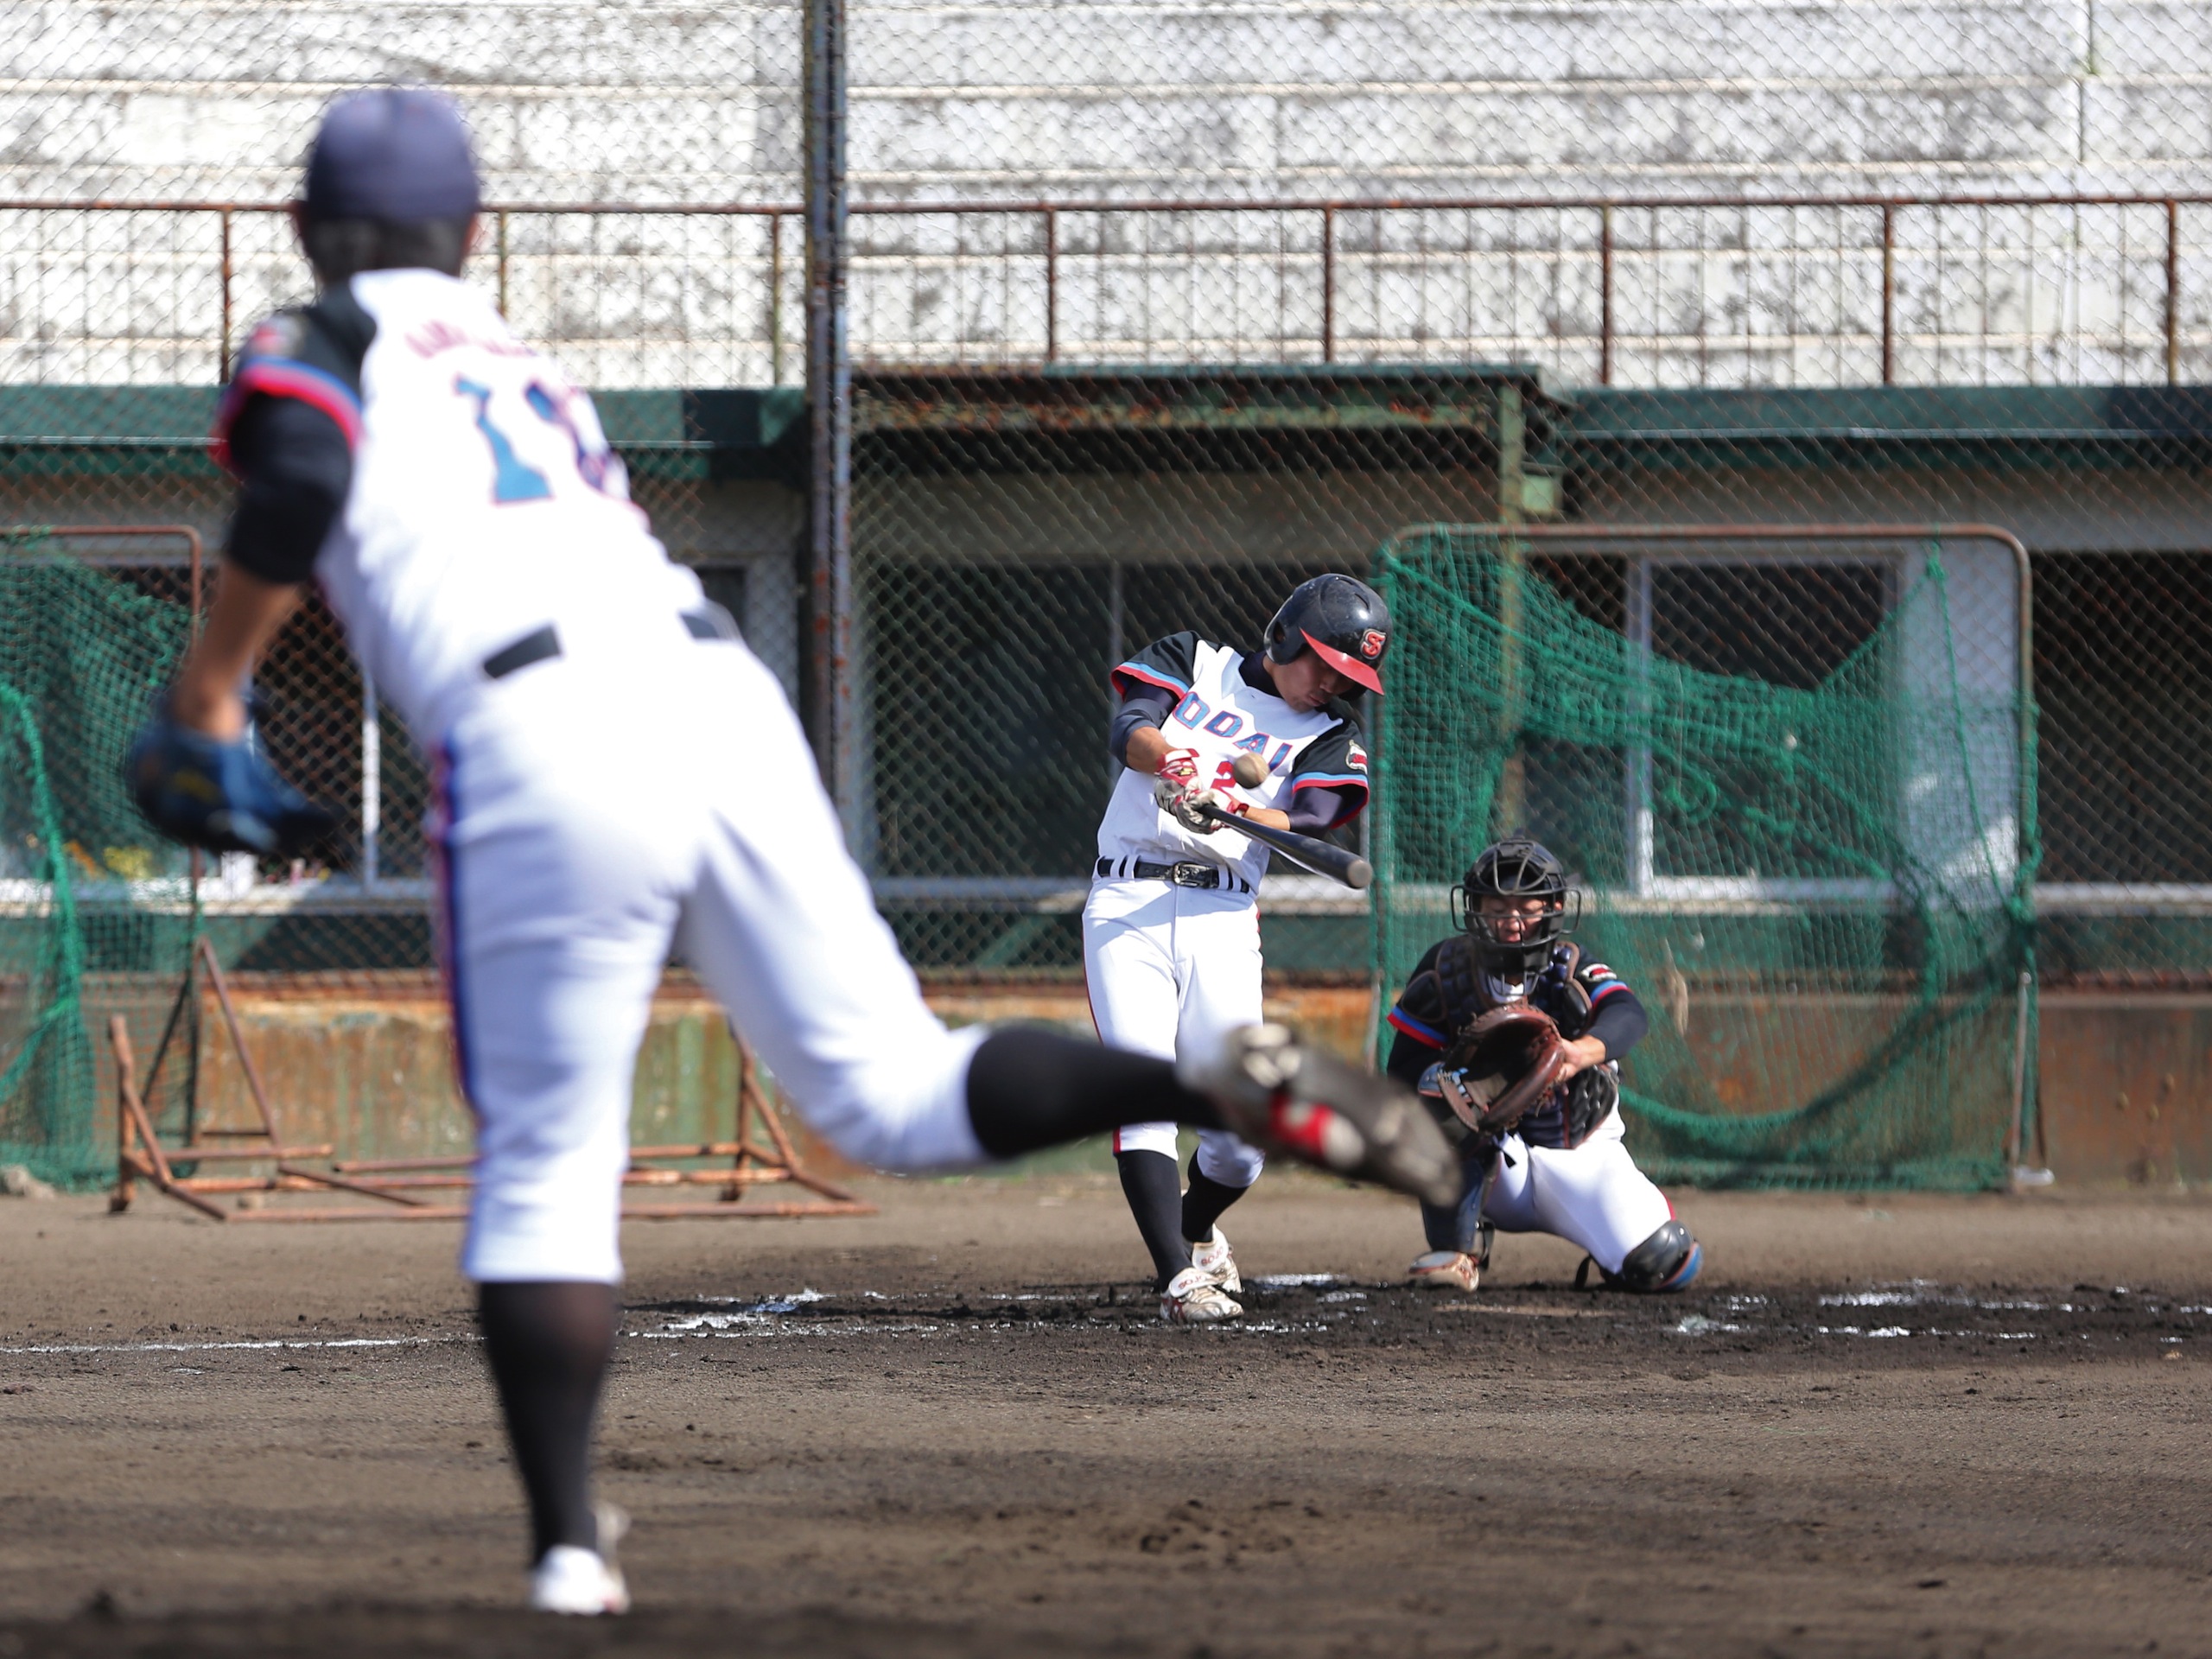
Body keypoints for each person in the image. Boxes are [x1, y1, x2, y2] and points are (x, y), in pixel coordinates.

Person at [124, 90, 1453, 1617]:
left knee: (551, 1168)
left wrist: (214, 686)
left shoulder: (321, 331)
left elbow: (293, 481)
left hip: (535, 729)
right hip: (716, 690)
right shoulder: (523, 365)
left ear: (310, 230)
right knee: (887, 1088)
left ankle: (569, 1554)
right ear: (473, 234)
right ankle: (1205, 1083)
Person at [1089, 575, 1387, 1322]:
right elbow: (1131, 724)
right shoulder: (1196, 661)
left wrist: (1243, 811)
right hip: (1129, 899)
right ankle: (1177, 1281)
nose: (1328, 683)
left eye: (1345, 674)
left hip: (1224, 914)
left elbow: (1314, 815)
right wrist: (1171, 765)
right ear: (1285, 635)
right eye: (1322, 663)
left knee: (1241, 1139)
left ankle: (1194, 1233)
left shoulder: (1329, 734)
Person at [1380, 836, 1702, 1295]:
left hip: (1581, 1152)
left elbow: (1628, 1014)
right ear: (1475, 907)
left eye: (1526, 908)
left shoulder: (1569, 967)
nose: (1512, 922)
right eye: (1497, 906)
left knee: (1666, 1262)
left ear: (1551, 907)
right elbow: (1402, 1072)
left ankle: (1611, 1239)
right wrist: (1457, 1086)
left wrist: (1577, 1054)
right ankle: (1458, 1245)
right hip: (1495, 1164)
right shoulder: (1446, 967)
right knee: (1435, 1100)